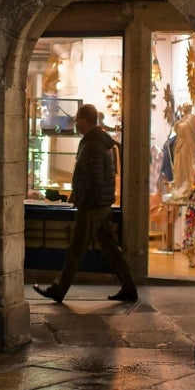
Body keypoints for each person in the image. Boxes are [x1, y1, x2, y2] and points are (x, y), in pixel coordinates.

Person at [34, 104, 138, 302]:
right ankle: (129, 287)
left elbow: (94, 178)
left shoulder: (93, 145)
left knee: (76, 250)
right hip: (100, 204)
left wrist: (84, 201)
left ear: (85, 121)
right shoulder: (98, 142)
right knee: (110, 248)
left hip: (93, 207)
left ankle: (59, 289)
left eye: (77, 120)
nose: (75, 123)